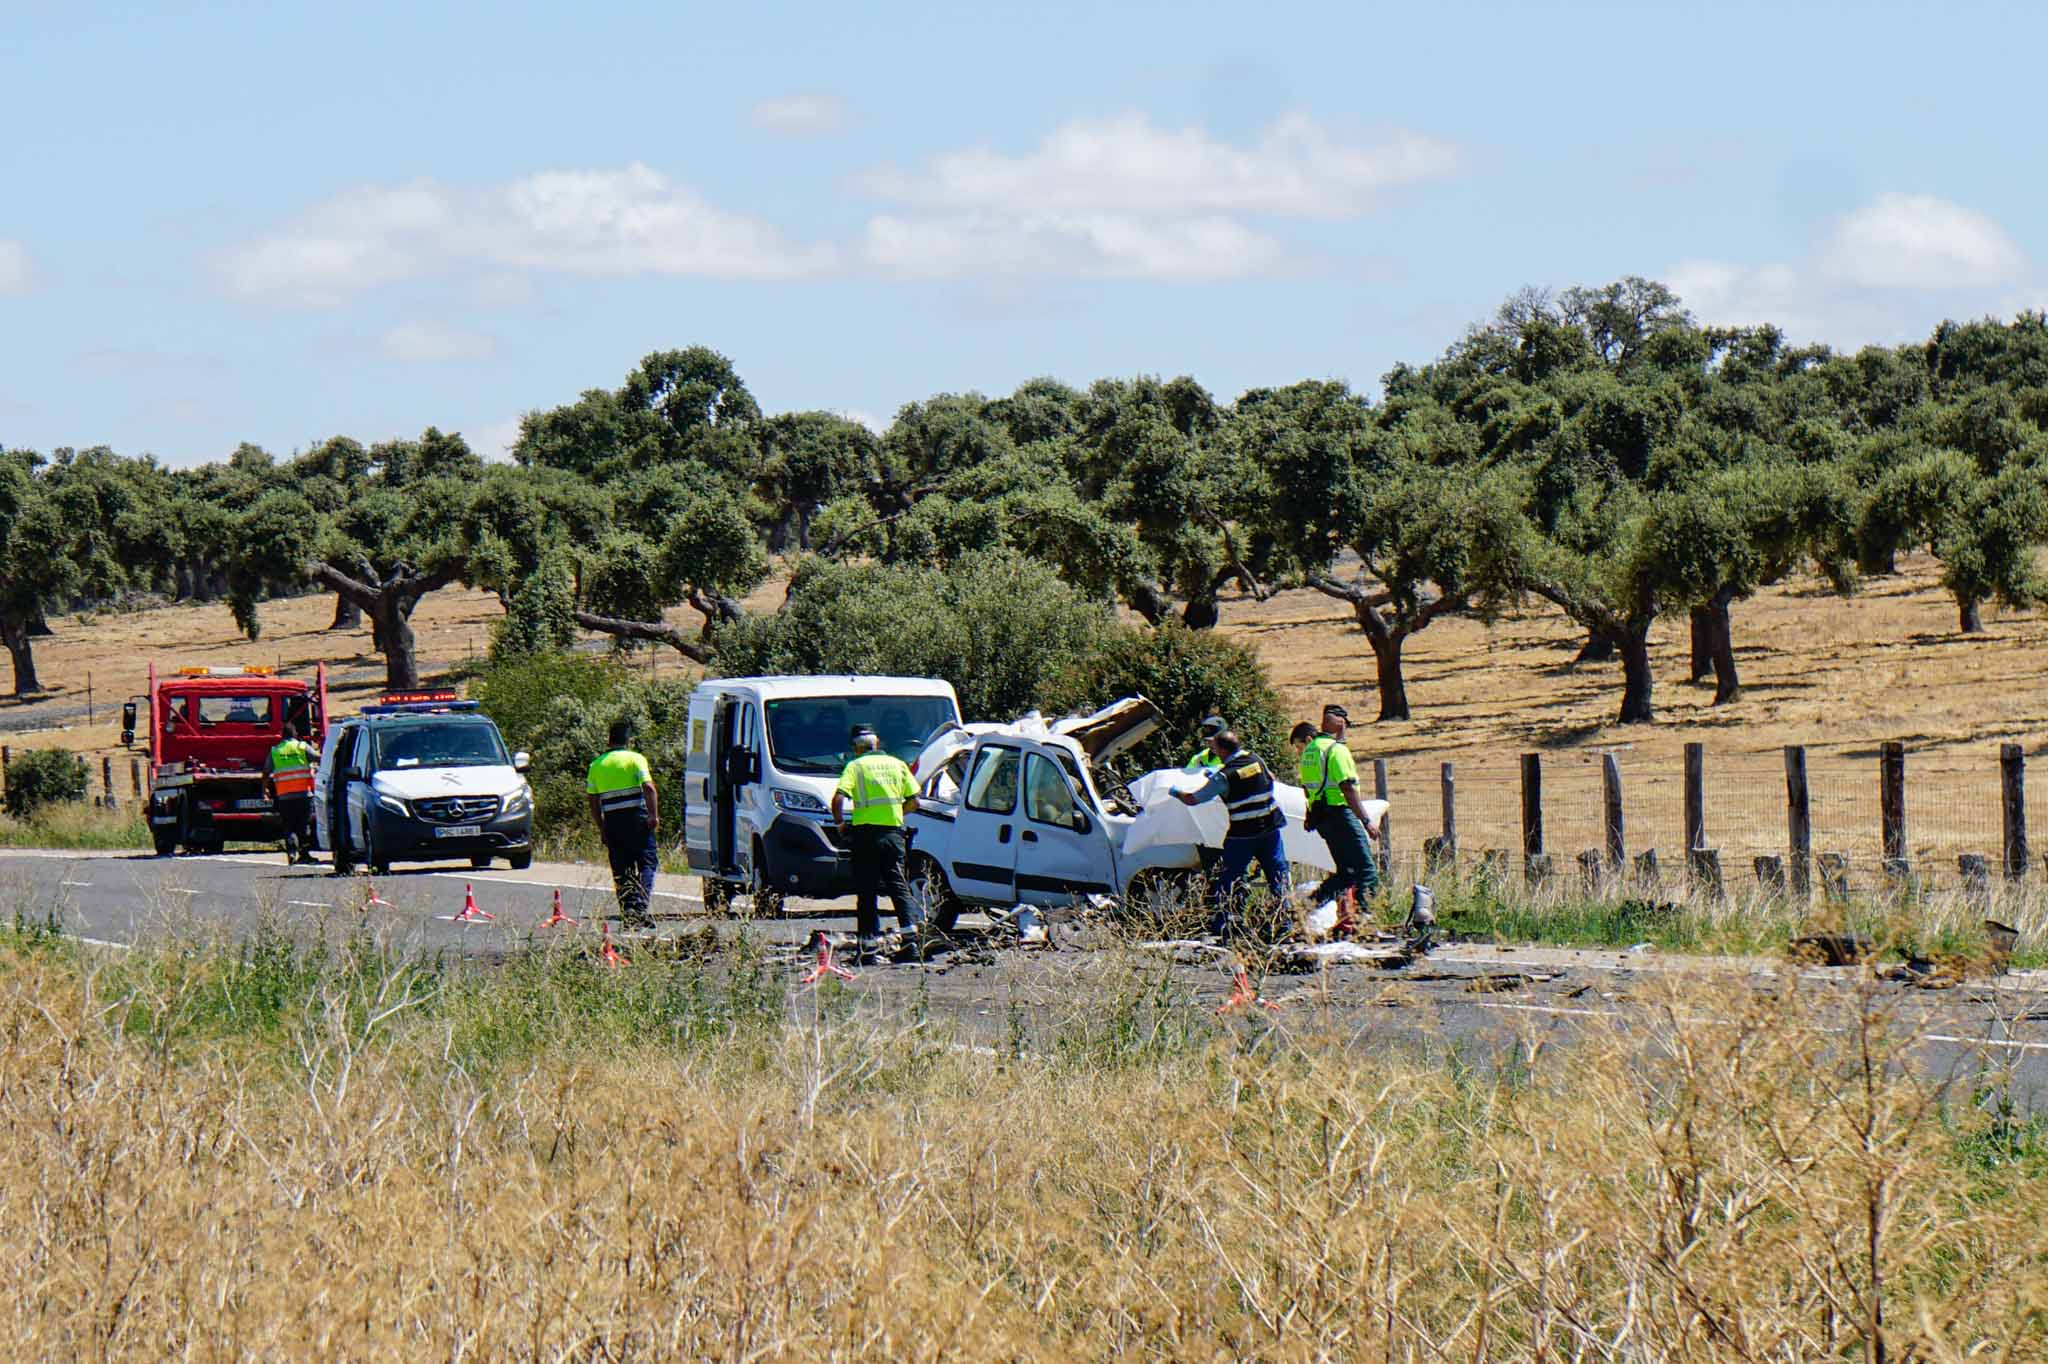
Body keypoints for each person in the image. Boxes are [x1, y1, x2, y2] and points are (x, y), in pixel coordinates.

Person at [1176, 730, 1290, 941]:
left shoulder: (1224, 776)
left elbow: (1194, 799)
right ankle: (1285, 922)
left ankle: (1223, 922)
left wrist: (1176, 792)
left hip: (1243, 835)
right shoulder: (1256, 759)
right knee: (1278, 874)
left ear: (1221, 750)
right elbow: (1271, 779)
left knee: (1229, 878)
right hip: (1270, 828)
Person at [831, 724, 927, 963]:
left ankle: (868, 949)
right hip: (893, 835)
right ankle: (911, 946)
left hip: (865, 837)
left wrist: (841, 824)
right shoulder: (898, 764)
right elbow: (916, 801)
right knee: (899, 888)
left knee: (866, 892)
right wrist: (896, 814)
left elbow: (838, 798)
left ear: (857, 748)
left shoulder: (855, 766)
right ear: (878, 744)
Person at [1294, 703, 1381, 916]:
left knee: (1346, 873)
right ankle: (1364, 920)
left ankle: (1306, 908)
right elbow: (1348, 788)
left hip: (1322, 818)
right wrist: (1366, 821)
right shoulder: (1337, 750)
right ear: (1340, 722)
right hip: (1341, 815)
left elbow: (1307, 790)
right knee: (1366, 872)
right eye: (1344, 725)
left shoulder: (1309, 751)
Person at [587, 721, 659, 928]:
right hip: (637, 819)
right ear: (628, 740)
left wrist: (601, 826)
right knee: (647, 863)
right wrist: (653, 816)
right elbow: (649, 788)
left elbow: (593, 799)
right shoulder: (636, 759)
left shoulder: (597, 765)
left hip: (612, 821)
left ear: (609, 740)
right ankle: (639, 907)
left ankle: (628, 912)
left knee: (621, 867)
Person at [266, 722, 319, 866]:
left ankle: (291, 853)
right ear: (295, 734)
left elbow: (266, 772)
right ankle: (304, 854)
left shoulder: (276, 751)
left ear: (282, 735)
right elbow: (318, 758)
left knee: (289, 825)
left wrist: (264, 789)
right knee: (303, 825)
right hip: (304, 794)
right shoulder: (302, 747)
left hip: (284, 796)